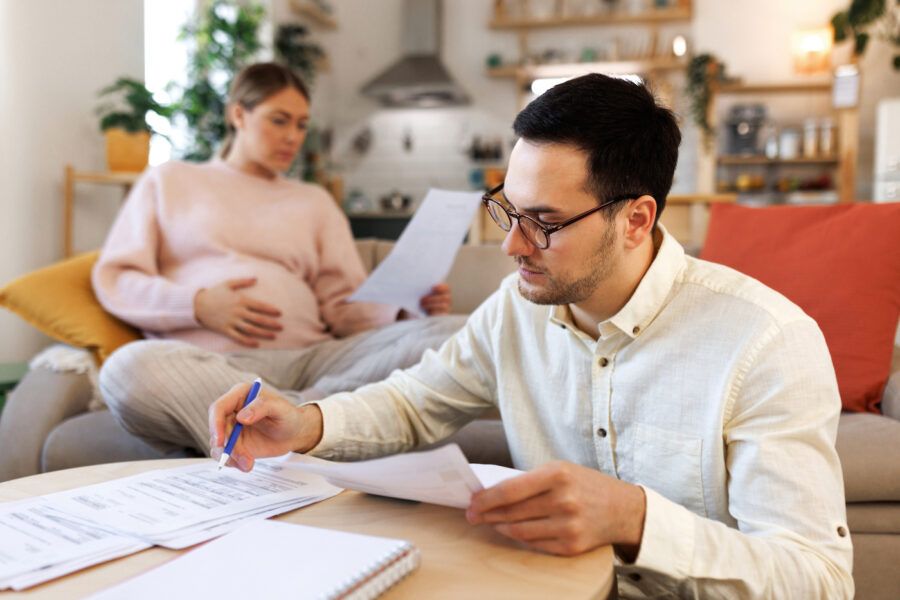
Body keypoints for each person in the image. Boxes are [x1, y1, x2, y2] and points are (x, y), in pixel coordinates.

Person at [208, 73, 854, 598]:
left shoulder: (766, 342)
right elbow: (413, 401)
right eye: (507, 209)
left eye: (543, 221)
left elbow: (818, 580)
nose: (512, 244)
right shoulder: (514, 310)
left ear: (635, 220)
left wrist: (637, 521)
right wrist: (306, 423)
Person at [94, 62, 464, 454]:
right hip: (213, 364)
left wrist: (407, 308)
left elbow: (343, 307)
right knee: (126, 369)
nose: (292, 137)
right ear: (238, 114)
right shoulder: (169, 181)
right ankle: (298, 420)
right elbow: (118, 279)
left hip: (316, 362)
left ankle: (291, 417)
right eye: (279, 120)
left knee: (463, 331)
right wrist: (198, 305)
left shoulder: (314, 201)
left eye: (302, 125)